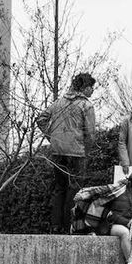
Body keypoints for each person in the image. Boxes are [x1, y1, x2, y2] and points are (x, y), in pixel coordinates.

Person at [37, 71, 97, 232]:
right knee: (75, 189)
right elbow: (90, 133)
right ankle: (70, 225)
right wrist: (87, 150)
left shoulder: (59, 102)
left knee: (59, 189)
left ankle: (56, 226)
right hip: (77, 152)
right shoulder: (86, 105)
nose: (92, 90)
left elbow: (41, 119)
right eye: (91, 87)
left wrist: (52, 138)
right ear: (84, 87)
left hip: (57, 152)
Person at [76, 168, 132, 264]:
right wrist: (86, 193)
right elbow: (103, 191)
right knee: (125, 232)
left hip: (131, 225)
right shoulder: (122, 188)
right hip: (110, 222)